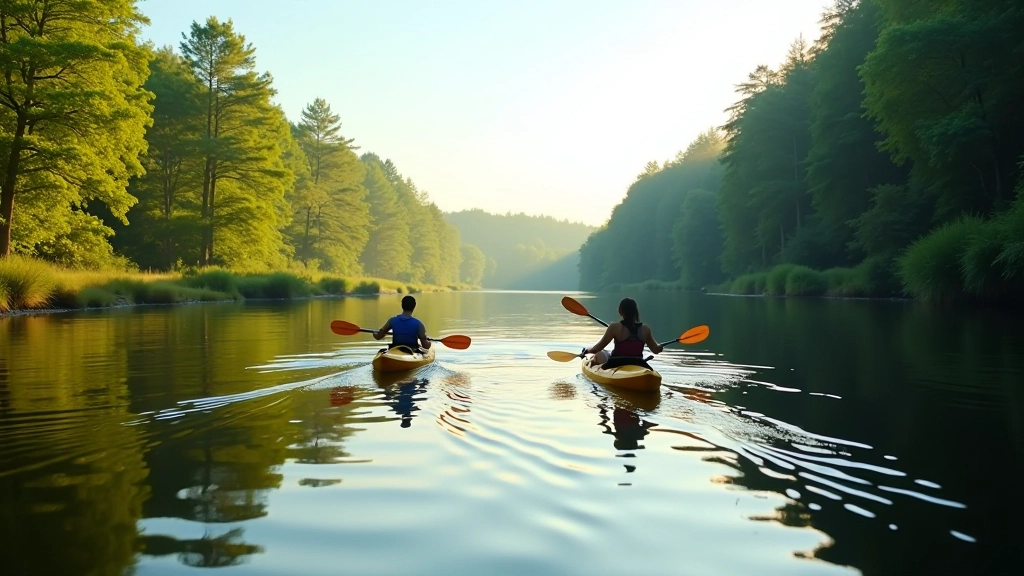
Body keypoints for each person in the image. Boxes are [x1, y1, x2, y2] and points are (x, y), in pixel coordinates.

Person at [583, 297, 663, 370]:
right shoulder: (645, 329)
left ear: (620, 311)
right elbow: (655, 350)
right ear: (635, 312)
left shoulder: (614, 327)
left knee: (600, 353)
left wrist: (586, 351)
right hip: (638, 363)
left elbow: (598, 348)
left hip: (615, 363)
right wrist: (660, 347)